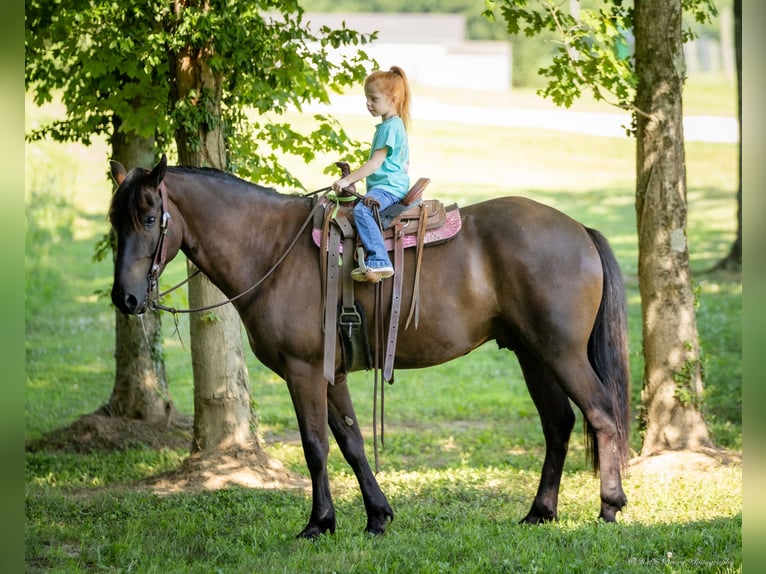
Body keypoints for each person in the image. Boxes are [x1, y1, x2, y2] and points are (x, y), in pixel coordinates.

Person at [332, 66, 412, 283]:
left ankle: (379, 259)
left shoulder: (388, 128)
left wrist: (348, 179)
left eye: (374, 99)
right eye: (367, 98)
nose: (368, 103)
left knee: (362, 212)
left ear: (393, 100)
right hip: (390, 186)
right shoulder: (393, 124)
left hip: (389, 189)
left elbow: (375, 164)